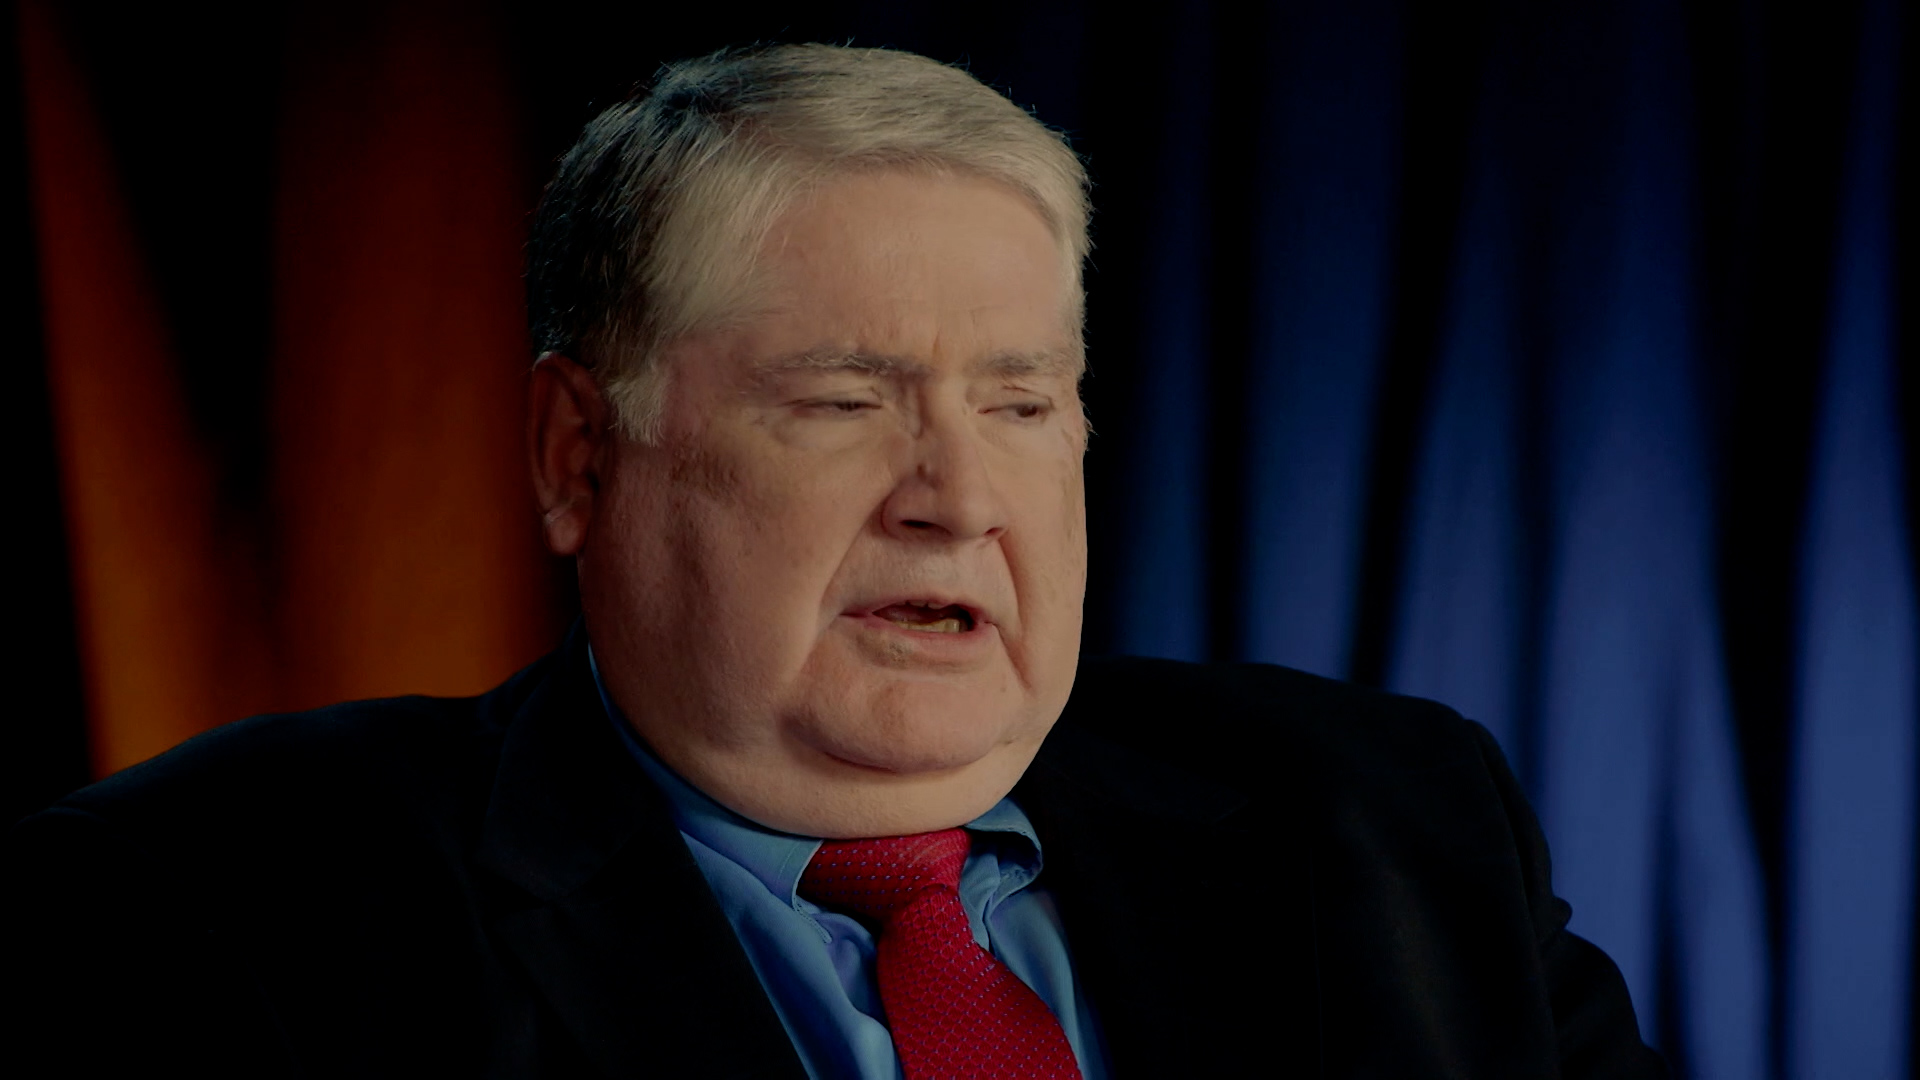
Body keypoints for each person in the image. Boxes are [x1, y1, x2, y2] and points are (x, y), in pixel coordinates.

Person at [5, 44, 1667, 1078]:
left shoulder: (1396, 823)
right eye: (843, 402)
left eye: (1021, 402)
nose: (959, 498)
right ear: (578, 455)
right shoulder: (220, 914)